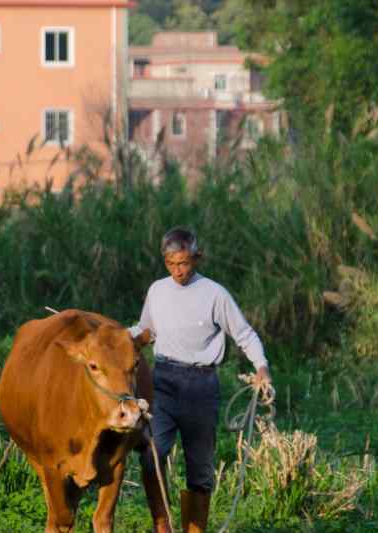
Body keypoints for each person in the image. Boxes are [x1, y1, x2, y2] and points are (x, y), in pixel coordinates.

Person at [134, 227, 272, 533]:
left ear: (197, 258)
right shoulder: (158, 290)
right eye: (171, 263)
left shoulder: (214, 294)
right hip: (164, 382)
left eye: (183, 263)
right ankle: (162, 526)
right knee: (150, 457)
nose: (178, 271)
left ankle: (194, 530)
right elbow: (145, 329)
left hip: (201, 386)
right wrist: (114, 338)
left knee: (200, 469)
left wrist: (261, 366)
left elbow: (244, 334)